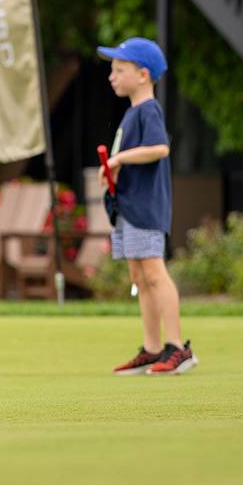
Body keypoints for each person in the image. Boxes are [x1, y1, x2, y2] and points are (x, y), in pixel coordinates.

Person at [100, 37, 197, 376]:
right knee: (139, 276)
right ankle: (153, 348)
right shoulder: (132, 113)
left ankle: (177, 347)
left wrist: (118, 160)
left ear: (142, 75)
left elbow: (159, 149)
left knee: (154, 272)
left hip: (146, 208)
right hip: (128, 207)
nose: (112, 76)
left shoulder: (148, 110)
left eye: (119, 69)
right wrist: (112, 171)